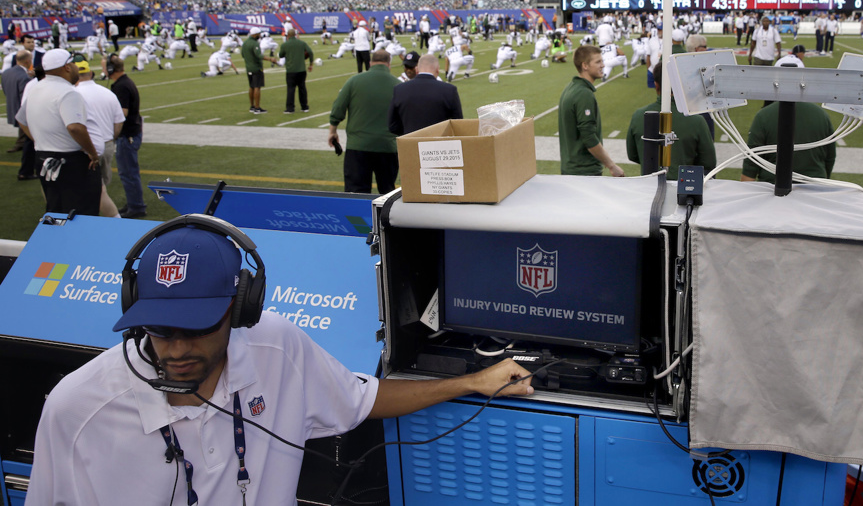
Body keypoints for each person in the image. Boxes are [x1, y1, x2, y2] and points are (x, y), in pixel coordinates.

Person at [24, 216, 532, 506]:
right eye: (159, 329)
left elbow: (364, 399)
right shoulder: (76, 408)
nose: (177, 349)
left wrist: (472, 382)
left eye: (198, 328)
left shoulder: (278, 346)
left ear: (241, 307)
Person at [15, 49, 101, 216]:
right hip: (70, 162)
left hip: (43, 157)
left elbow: (21, 119)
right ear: (67, 67)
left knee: (56, 212)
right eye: (74, 64)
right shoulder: (68, 92)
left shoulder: (35, 87)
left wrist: (39, 139)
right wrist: (92, 153)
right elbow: (75, 127)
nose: (77, 67)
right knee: (81, 214)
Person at [626, 62, 715, 177]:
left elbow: (633, 155)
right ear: (682, 85)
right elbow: (708, 162)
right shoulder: (697, 120)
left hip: (648, 188)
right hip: (683, 190)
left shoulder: (638, 115)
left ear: (656, 85)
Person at [328, 49, 399, 194]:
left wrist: (332, 131)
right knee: (387, 193)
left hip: (358, 146)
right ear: (389, 64)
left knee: (356, 193)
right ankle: (382, 218)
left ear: (370, 63)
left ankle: (358, 217)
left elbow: (338, 108)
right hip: (387, 147)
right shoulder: (398, 85)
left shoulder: (354, 81)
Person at [558, 45, 625, 177]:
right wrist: (612, 166)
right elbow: (589, 137)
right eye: (598, 62)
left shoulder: (571, 88)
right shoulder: (584, 94)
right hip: (583, 171)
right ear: (585, 66)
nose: (603, 65)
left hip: (572, 169)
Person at [740, 94, 837, 183]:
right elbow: (830, 157)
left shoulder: (763, 116)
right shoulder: (822, 115)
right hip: (814, 187)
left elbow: (750, 166)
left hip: (773, 188)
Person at [75, 58, 124, 218]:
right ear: (91, 73)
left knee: (97, 191)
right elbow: (119, 122)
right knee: (102, 187)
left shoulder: (73, 95)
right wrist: (110, 139)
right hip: (107, 143)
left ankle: (116, 224)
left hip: (86, 148)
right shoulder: (107, 92)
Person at [108, 55, 147, 219]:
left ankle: (136, 206)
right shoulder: (125, 82)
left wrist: (114, 133)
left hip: (128, 135)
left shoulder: (121, 86)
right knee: (129, 172)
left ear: (111, 69)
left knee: (128, 172)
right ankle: (134, 203)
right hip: (132, 132)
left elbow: (122, 113)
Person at [388, 53, 463, 136]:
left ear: (417, 70)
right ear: (437, 70)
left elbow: (392, 126)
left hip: (411, 143)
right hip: (440, 145)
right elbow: (458, 124)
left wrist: (409, 133)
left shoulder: (400, 89)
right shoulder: (449, 90)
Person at [2, 49, 35, 178]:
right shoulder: (24, 77)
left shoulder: (6, 72)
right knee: (30, 141)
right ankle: (26, 171)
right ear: (28, 61)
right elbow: (25, 99)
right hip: (23, 113)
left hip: (12, 108)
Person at [278, 28, 314, 114]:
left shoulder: (285, 45)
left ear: (288, 36)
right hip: (301, 70)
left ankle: (290, 108)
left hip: (291, 70)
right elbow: (310, 52)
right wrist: (311, 64)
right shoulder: (302, 43)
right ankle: (304, 106)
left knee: (291, 89)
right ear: (295, 35)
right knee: (302, 88)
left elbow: (280, 55)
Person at [242, 27, 277, 114]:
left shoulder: (245, 43)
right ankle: (257, 108)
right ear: (255, 34)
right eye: (259, 34)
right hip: (256, 68)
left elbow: (243, 54)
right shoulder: (254, 43)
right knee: (257, 87)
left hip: (248, 67)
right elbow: (259, 55)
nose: (260, 35)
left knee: (251, 86)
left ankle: (252, 106)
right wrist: (270, 59)